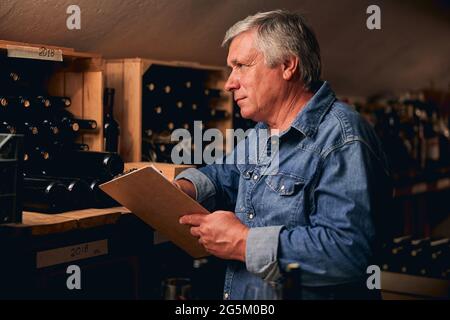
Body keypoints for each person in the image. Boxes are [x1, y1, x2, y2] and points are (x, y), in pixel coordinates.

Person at [174, 10, 391, 300]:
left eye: (241, 66)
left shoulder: (343, 137)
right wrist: (181, 188)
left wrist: (243, 242)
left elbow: (348, 252)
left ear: (288, 65)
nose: (229, 83)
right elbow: (225, 174)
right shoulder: (262, 131)